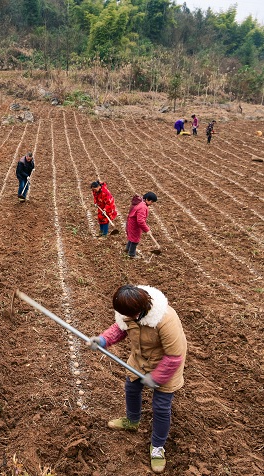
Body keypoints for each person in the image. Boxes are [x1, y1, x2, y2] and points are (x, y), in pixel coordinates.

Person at [88, 284, 187, 474]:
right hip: (140, 359)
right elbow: (120, 328)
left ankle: (157, 447)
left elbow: (174, 356)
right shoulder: (129, 312)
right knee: (131, 388)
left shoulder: (165, 320)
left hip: (167, 365)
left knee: (161, 406)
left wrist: (156, 377)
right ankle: (132, 421)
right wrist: (102, 340)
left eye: (130, 314)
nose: (127, 317)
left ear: (141, 308)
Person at [125, 191, 157, 258]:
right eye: (152, 202)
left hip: (130, 222)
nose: (151, 203)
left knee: (131, 237)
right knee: (135, 240)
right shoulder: (142, 207)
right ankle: (131, 254)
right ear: (148, 199)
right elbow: (140, 221)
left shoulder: (140, 202)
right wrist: (147, 229)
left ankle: (127, 249)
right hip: (134, 225)